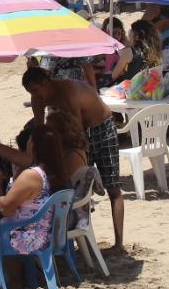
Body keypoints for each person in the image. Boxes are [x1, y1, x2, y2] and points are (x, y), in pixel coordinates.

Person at [17, 66, 124, 255]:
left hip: (101, 127)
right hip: (76, 132)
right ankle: (83, 240)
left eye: (36, 90)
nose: (35, 96)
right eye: (30, 92)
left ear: (47, 83)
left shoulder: (69, 92)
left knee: (113, 187)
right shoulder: (37, 98)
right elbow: (40, 132)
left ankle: (119, 244)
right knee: (76, 188)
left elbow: (78, 133)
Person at [0, 122, 72, 289]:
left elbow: (4, 208)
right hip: (45, 233)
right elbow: (17, 158)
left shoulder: (31, 175)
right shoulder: (55, 169)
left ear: (32, 146)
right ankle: (14, 279)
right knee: (2, 225)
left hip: (29, 238)